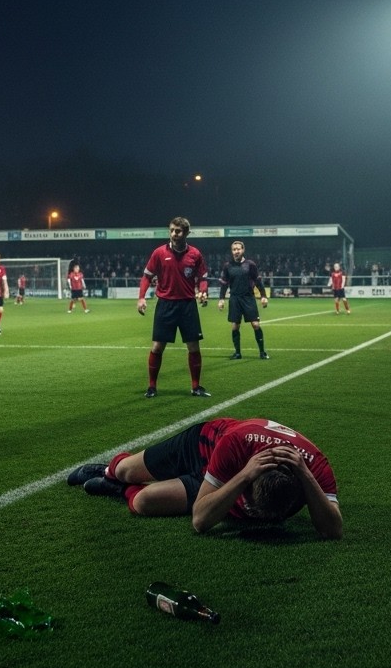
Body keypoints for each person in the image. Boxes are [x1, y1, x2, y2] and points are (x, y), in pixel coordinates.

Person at [66, 417, 342, 539]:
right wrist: (244, 475)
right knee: (126, 470)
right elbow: (200, 520)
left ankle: (117, 489)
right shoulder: (236, 444)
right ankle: (109, 471)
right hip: (203, 447)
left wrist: (306, 477)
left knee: (144, 502)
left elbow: (333, 530)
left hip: (228, 479)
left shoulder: (315, 467)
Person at [137, 216, 210, 398]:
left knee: (193, 347)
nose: (173, 234)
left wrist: (203, 291)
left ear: (186, 233)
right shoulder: (159, 253)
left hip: (187, 305)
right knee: (157, 347)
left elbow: (203, 277)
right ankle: (152, 387)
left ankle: (196, 386)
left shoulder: (195, 254)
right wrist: (141, 298)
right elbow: (147, 276)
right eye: (171, 230)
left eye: (177, 231)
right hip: (166, 305)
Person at [216, 240, 269, 359]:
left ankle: (262, 352)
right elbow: (224, 284)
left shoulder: (250, 264)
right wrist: (221, 299)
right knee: (235, 326)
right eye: (234, 249)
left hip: (248, 298)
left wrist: (263, 296)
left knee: (255, 324)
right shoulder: (227, 266)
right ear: (232, 251)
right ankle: (238, 353)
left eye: (238, 249)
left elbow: (258, 281)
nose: (236, 251)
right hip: (234, 298)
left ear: (243, 250)